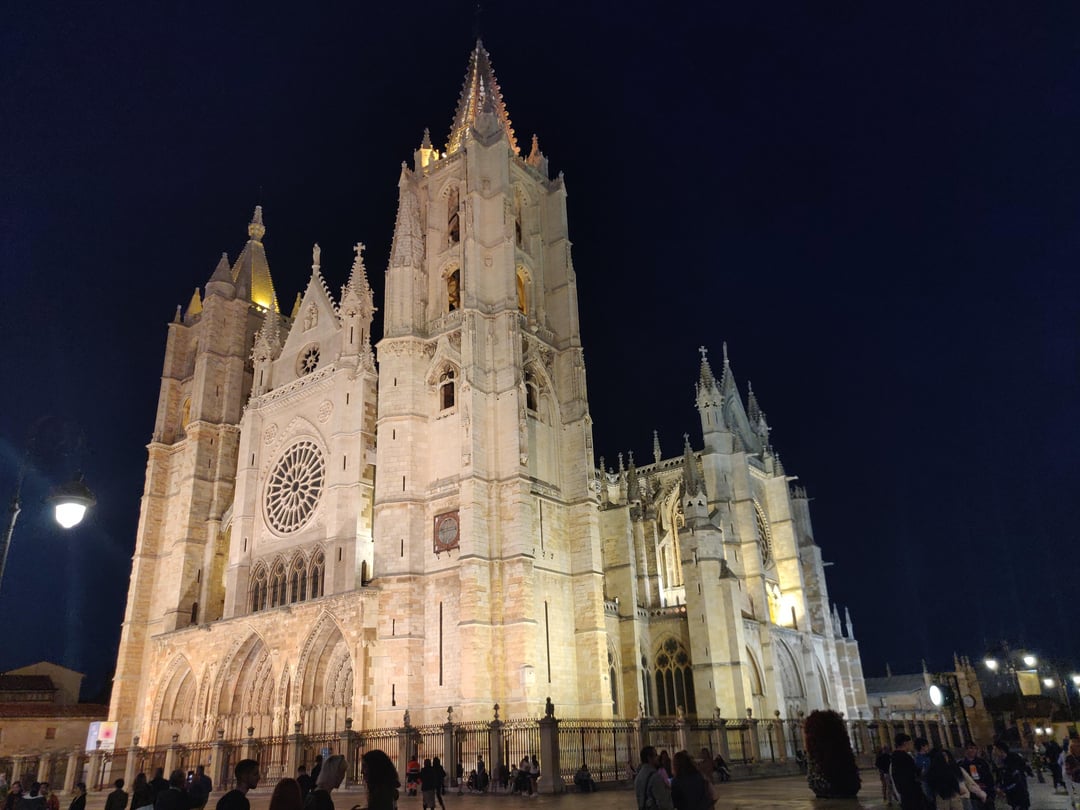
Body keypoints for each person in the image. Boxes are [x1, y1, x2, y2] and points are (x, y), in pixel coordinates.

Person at [890, 734, 926, 810]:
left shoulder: (894, 757)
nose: (911, 745)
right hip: (912, 792)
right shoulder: (905, 757)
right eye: (910, 743)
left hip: (903, 792)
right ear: (905, 743)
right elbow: (915, 773)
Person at [993, 741, 1032, 810]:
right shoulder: (1001, 761)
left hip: (1019, 795)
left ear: (1001, 750)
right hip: (1012, 796)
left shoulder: (1013, 760)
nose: (994, 752)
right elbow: (1000, 776)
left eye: (995, 749)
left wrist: (1004, 790)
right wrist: (997, 786)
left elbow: (1016, 780)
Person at [959, 742, 995, 810]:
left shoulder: (982, 762)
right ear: (966, 750)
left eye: (975, 748)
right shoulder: (961, 765)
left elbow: (989, 778)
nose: (973, 750)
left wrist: (991, 793)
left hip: (986, 792)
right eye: (970, 748)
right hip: (972, 796)